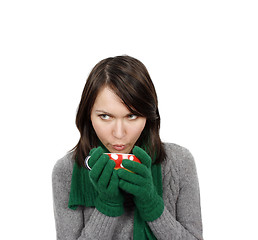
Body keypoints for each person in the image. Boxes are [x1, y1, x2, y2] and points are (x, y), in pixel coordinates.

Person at [52, 55, 203, 240]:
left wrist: (152, 205)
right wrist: (107, 207)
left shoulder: (179, 162)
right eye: (105, 116)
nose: (119, 133)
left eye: (131, 116)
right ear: (88, 115)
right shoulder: (65, 171)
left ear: (148, 116)